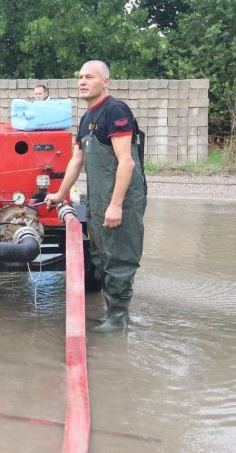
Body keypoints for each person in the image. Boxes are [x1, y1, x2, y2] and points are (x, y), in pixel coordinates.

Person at [45, 60, 147, 333]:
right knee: (102, 256)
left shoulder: (115, 110)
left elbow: (126, 162)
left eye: (89, 77)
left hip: (120, 200)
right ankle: (111, 314)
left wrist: (116, 205)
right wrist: (59, 194)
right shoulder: (88, 117)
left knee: (119, 257)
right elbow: (76, 161)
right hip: (99, 200)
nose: (82, 81)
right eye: (79, 76)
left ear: (106, 82)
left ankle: (118, 319)